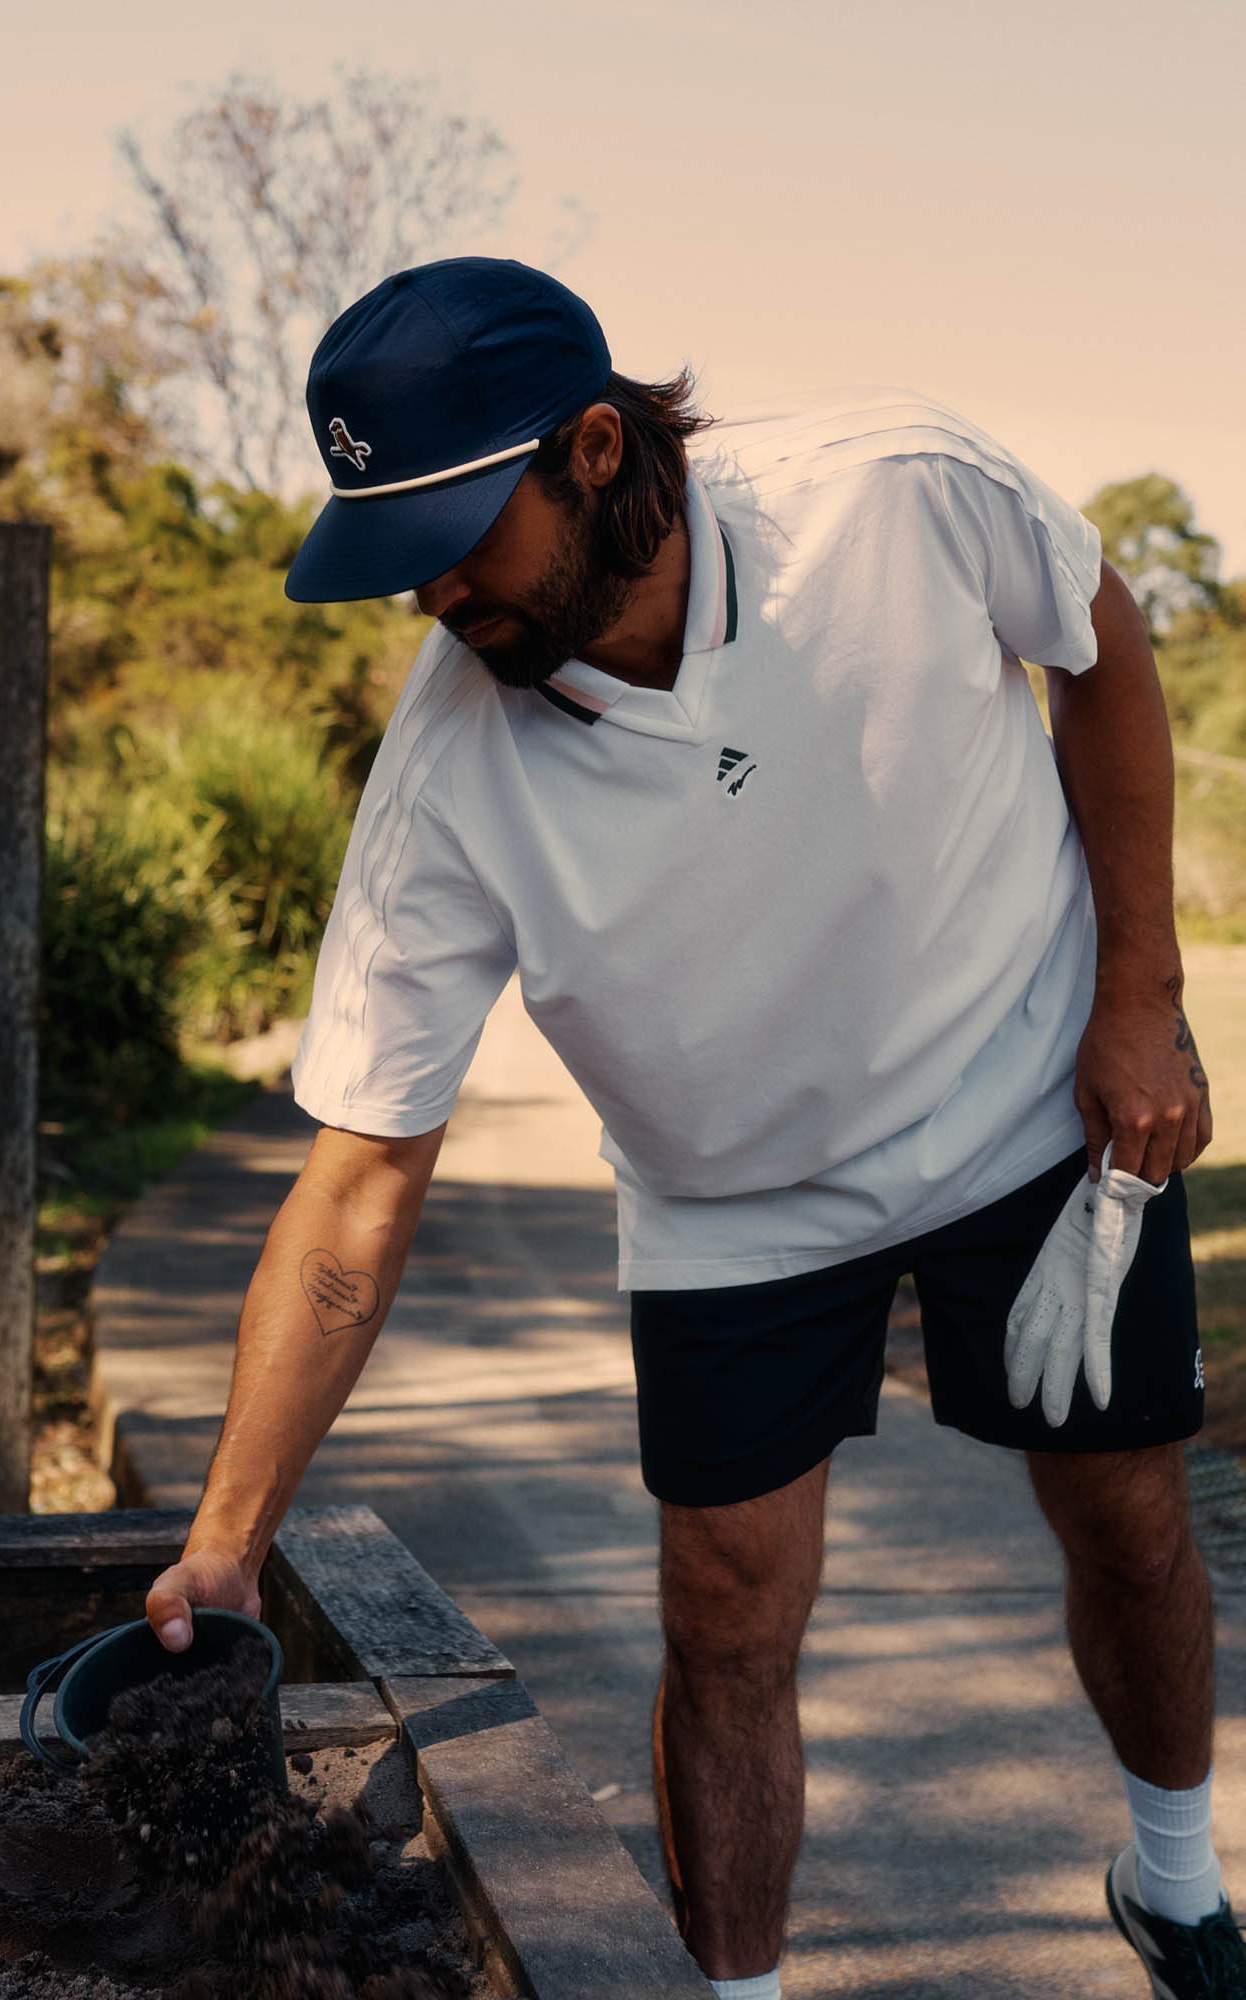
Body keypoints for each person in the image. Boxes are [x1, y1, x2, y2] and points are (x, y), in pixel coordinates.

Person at [144, 257, 1239, 1998]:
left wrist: (1135, 994)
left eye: (454, 534)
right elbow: (358, 1183)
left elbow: (1101, 647)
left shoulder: (896, 494)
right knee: (724, 1625)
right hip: (736, 1197)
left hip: (1025, 1094)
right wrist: (229, 1537)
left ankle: (1176, 1884)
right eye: (393, 551)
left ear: (592, 449)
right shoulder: (447, 776)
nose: (427, 590)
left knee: (1130, 1520)